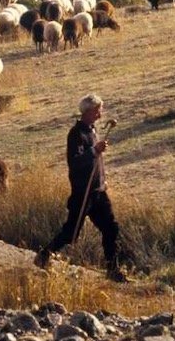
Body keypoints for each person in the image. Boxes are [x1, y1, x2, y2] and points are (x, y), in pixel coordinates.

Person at [34, 93, 126, 282]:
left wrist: (102, 180)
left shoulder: (93, 131)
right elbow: (75, 162)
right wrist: (94, 150)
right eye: (98, 111)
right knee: (71, 233)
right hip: (83, 193)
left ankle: (113, 269)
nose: (100, 115)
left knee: (111, 228)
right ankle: (44, 255)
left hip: (98, 191)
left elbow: (96, 162)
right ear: (88, 111)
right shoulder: (76, 134)